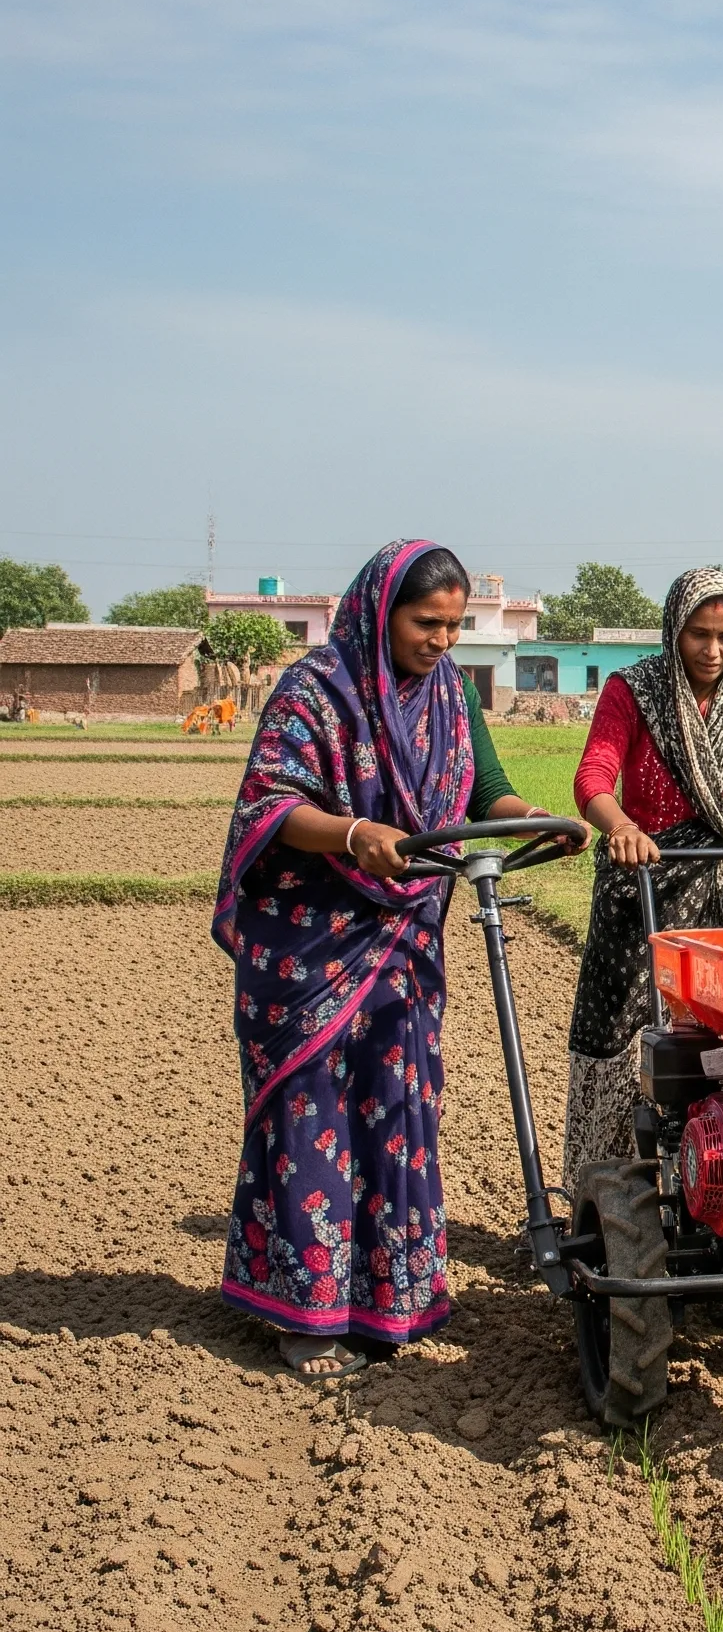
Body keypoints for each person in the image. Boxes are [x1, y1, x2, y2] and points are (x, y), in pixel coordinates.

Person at [215, 541, 578, 1380]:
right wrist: (351, 834)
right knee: (311, 1113)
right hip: (310, 942)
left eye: (454, 625)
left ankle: (388, 1304)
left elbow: (489, 791)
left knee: (397, 1111)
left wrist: (534, 820)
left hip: (405, 937)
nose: (443, 640)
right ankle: (305, 1311)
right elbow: (270, 801)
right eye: (427, 623)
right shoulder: (317, 690)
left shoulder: (451, 695)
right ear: (382, 613)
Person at [564, 568, 723, 1187]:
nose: (713, 652)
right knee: (619, 1030)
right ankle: (603, 1182)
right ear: (673, 631)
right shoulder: (634, 690)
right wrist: (621, 827)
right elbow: (593, 777)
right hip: (645, 881)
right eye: (698, 635)